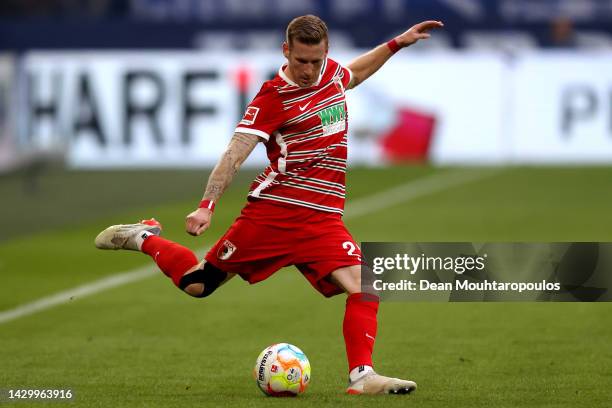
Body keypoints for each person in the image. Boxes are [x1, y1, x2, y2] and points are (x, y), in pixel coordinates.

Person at [95, 15, 443, 395]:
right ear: (286, 52)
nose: (309, 70)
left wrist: (396, 44)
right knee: (198, 284)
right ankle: (142, 237)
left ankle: (362, 376)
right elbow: (234, 155)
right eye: (301, 61)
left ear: (326, 53)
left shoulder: (331, 75)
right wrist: (206, 204)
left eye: (316, 61)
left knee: (364, 285)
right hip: (273, 214)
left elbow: (355, 72)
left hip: (322, 219)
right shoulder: (272, 98)